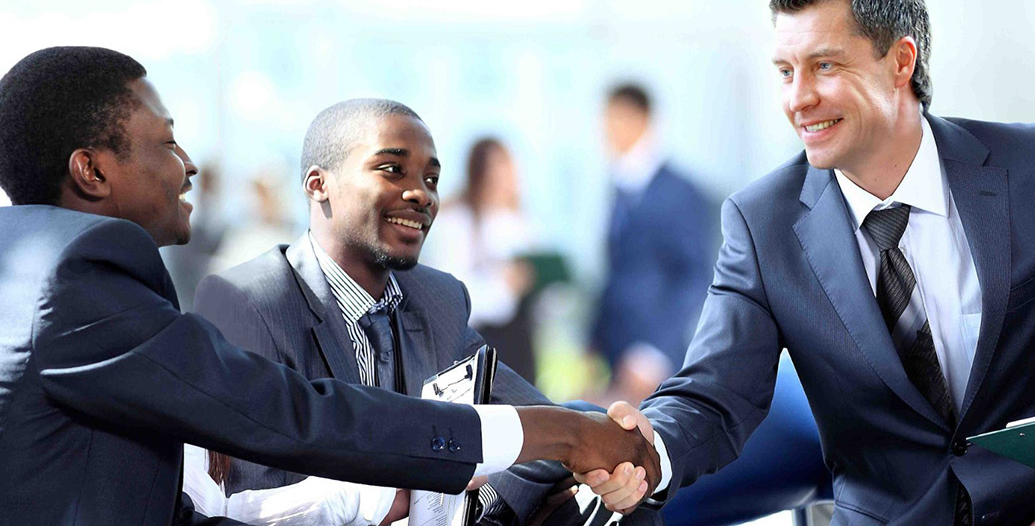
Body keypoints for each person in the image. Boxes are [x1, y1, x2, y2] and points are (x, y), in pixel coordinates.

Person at [0, 46, 660, 526]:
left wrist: (578, 438)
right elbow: (291, 417)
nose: (190, 163)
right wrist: (562, 434)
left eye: (431, 176)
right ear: (90, 170)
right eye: (167, 141)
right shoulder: (81, 273)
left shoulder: (32, 262)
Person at [586, 0, 1035, 524]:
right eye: (784, 71)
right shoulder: (762, 225)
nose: (797, 99)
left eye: (824, 66)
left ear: (900, 62)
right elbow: (713, 395)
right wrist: (644, 454)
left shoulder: (1023, 171)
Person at [188, 101, 619, 525]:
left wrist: (485, 506)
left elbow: (540, 427)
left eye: (431, 178)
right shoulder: (246, 301)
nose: (422, 194)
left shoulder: (439, 297)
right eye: (392, 170)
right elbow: (256, 505)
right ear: (318, 184)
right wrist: (410, 493)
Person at [590, 83, 715, 404]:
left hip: (652, 361)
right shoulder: (619, 185)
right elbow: (616, 272)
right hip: (614, 355)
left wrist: (654, 352)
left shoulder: (679, 191)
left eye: (615, 118)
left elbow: (694, 276)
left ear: (641, 119)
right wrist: (592, 342)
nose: (607, 130)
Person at [422, 137, 539, 383]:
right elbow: (451, 293)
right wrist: (504, 287)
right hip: (476, 345)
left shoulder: (521, 223)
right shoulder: (456, 222)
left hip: (519, 346)